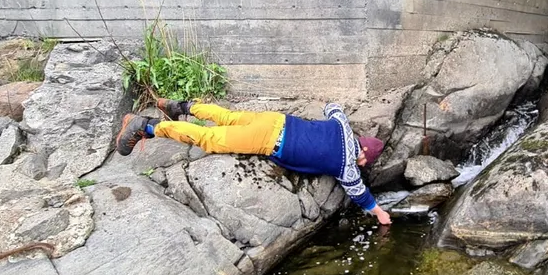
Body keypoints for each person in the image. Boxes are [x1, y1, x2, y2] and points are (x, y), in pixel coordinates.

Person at [114, 99, 392, 225]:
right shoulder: (347, 166)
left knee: (228, 117)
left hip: (276, 119)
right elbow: (359, 193)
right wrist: (380, 213)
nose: (362, 166)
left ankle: (182, 107)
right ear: (364, 155)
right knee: (210, 138)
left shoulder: (343, 126)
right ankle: (148, 127)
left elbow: (333, 106)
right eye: (365, 162)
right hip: (271, 138)